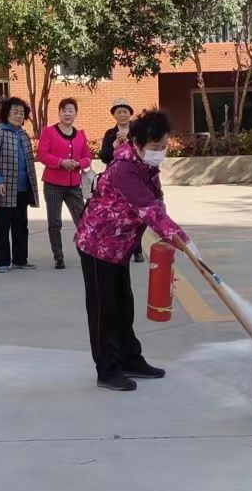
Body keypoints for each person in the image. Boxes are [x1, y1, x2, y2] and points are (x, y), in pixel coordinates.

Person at [74, 110, 190, 392]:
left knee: (123, 305)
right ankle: (107, 370)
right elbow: (147, 208)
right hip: (97, 244)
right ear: (137, 144)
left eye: (164, 147)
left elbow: (156, 201)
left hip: (119, 245)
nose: (160, 153)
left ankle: (130, 359)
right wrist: (180, 237)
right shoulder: (124, 169)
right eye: (155, 147)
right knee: (104, 309)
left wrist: (171, 230)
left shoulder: (145, 166)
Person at [38, 96, 94, 270]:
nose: (67, 114)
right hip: (53, 185)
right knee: (55, 222)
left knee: (83, 220)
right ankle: (58, 256)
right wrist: (60, 162)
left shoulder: (80, 135)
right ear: (59, 113)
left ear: (76, 113)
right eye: (64, 110)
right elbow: (42, 155)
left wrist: (79, 163)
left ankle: (86, 253)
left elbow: (87, 157)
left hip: (74, 186)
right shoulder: (48, 132)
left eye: (71, 110)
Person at [0, 96, 39, 271]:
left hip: (23, 188)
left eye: (21, 113)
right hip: (5, 188)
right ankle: (3, 262)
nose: (18, 116)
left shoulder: (23, 134)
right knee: (3, 227)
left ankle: (20, 260)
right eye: (15, 112)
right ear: (6, 114)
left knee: (21, 226)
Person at [98, 99, 143, 262]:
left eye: (125, 111)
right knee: (116, 215)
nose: (122, 114)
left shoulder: (138, 132)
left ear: (130, 114)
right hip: (115, 179)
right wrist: (115, 145)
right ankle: (117, 249)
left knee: (135, 215)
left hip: (135, 179)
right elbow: (104, 157)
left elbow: (144, 153)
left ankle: (137, 250)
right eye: (118, 112)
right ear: (114, 116)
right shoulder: (110, 133)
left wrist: (129, 141)